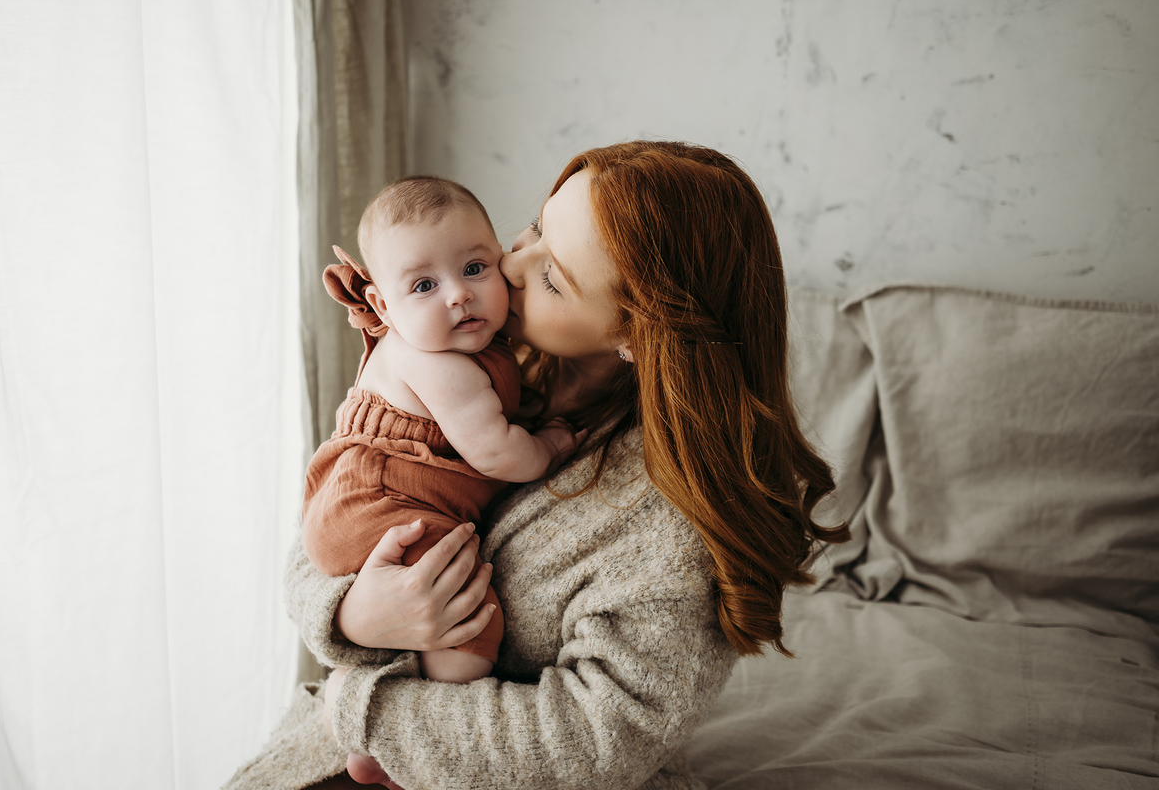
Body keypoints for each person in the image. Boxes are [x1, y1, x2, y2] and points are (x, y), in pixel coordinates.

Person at [226, 140, 849, 790]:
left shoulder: (669, 530)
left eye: (553, 275)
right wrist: (353, 612)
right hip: (328, 747)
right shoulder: (465, 347)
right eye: (534, 229)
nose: (509, 265)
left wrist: (359, 709)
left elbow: (591, 744)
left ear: (637, 334)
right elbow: (331, 509)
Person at [301, 177, 582, 710]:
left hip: (367, 498)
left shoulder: (467, 343)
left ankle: (386, 696)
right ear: (383, 306)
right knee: (468, 608)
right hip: (382, 503)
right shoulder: (439, 364)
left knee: (429, 605)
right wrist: (549, 445)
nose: (458, 294)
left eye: (474, 268)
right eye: (424, 286)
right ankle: (442, 710)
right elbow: (497, 451)